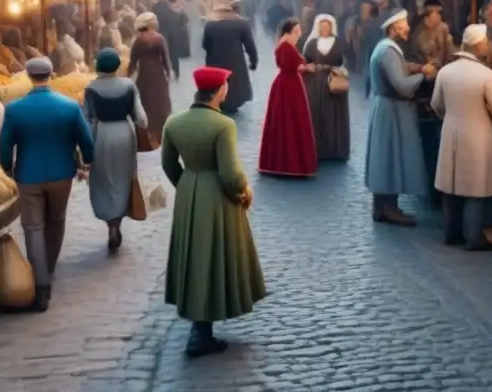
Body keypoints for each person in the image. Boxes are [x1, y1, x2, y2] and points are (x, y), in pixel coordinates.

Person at [162, 66, 267, 357]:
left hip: (189, 190)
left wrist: (185, 186)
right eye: (226, 86)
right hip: (217, 195)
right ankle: (201, 333)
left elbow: (169, 165)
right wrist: (244, 191)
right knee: (215, 256)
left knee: (194, 257)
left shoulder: (174, 122)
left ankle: (199, 327)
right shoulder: (223, 125)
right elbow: (231, 173)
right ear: (219, 90)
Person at [0, 56, 94, 312]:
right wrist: (88, 162)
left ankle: (41, 285)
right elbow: (86, 139)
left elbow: (4, 145)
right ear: (51, 74)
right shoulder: (70, 106)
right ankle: (48, 268)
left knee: (33, 227)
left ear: (29, 76)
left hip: (28, 175)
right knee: (56, 220)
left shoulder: (14, 109)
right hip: (62, 173)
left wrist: (7, 166)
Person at [432, 24, 492, 250]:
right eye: (485, 42)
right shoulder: (488, 76)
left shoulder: (446, 71)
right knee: (476, 187)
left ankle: (450, 233)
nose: (487, 45)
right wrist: (488, 124)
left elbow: (436, 104)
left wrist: (451, 117)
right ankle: (474, 237)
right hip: (478, 134)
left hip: (451, 130)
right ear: (478, 44)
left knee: (451, 184)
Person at [364, 10, 435, 226]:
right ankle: (387, 208)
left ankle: (383, 206)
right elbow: (402, 86)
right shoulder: (388, 51)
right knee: (390, 156)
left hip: (387, 108)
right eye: (404, 25)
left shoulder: (386, 48)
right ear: (394, 28)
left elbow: (400, 67)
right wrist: (424, 74)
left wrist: (416, 67)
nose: (408, 28)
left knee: (386, 156)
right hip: (391, 110)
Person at [84, 49, 148, 253]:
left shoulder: (91, 89)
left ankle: (110, 222)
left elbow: (86, 118)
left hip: (101, 133)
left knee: (103, 178)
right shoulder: (129, 86)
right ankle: (117, 223)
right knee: (123, 177)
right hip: (124, 133)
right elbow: (142, 120)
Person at [258, 18, 319, 177]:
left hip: (287, 83)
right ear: (290, 30)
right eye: (297, 30)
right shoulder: (287, 46)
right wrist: (306, 68)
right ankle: (292, 163)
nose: (299, 34)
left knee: (283, 120)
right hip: (290, 84)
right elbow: (290, 66)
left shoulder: (284, 45)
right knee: (293, 119)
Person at [301, 14, 351, 161]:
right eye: (322, 26)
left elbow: (347, 61)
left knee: (333, 114)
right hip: (314, 82)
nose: (324, 29)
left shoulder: (340, 43)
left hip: (333, 81)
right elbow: (305, 61)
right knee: (316, 113)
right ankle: (317, 148)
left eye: (327, 26)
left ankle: (334, 149)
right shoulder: (311, 44)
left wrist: (343, 70)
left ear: (331, 27)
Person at [202, 0, 258, 115]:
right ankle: (232, 104)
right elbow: (250, 45)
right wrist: (254, 61)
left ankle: (217, 101)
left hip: (214, 62)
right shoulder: (241, 23)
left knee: (217, 84)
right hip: (235, 62)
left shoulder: (210, 24)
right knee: (234, 85)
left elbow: (205, 45)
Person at [127, 12, 172, 149]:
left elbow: (133, 61)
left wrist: (129, 76)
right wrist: (168, 75)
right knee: (161, 102)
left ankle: (147, 133)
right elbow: (165, 60)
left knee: (146, 101)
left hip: (144, 75)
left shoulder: (138, 40)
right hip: (158, 74)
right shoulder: (159, 39)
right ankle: (162, 132)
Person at [409, 0, 456, 71]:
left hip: (445, 71)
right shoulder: (418, 36)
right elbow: (421, 63)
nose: (440, 15)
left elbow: (450, 52)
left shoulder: (443, 28)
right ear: (430, 14)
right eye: (438, 12)